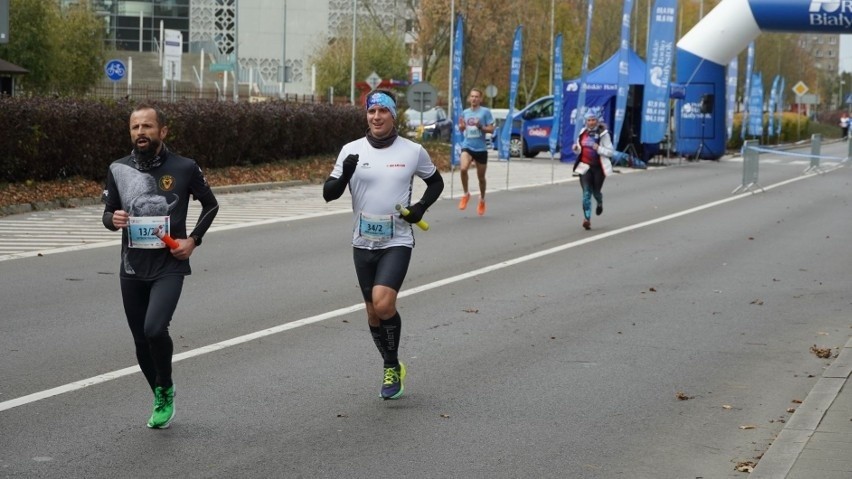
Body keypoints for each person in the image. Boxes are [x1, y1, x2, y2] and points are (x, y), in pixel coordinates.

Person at [102, 104, 219, 428]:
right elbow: (107, 214)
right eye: (135, 127)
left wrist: (193, 240)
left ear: (162, 131)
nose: (141, 132)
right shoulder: (117, 168)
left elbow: (211, 205)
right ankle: (161, 391)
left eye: (147, 126)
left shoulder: (184, 167)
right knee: (140, 339)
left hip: (169, 263)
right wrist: (114, 219)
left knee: (155, 328)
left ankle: (164, 386)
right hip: (132, 267)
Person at [323, 89, 444, 400]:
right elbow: (329, 193)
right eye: (371, 112)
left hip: (398, 239)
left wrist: (420, 208)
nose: (376, 117)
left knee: (383, 303)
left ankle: (391, 368)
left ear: (394, 116)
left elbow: (436, 182)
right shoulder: (351, 150)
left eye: (383, 112)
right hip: (362, 241)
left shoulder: (412, 151)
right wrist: (345, 173)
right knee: (372, 314)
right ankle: (393, 365)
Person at [572, 111, 613, 230]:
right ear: (585, 121)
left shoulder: (603, 134)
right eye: (588, 120)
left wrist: (599, 148)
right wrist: (576, 148)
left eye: (593, 120)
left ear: (597, 120)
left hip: (598, 168)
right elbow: (580, 149)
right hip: (585, 167)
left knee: (596, 192)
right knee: (586, 193)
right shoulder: (582, 132)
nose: (591, 122)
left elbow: (610, 152)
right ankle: (587, 219)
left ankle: (599, 202)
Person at [457, 87, 495, 216]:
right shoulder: (465, 112)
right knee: (463, 169)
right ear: (469, 99)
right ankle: (466, 194)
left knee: (481, 178)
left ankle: (482, 199)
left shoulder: (485, 112)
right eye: (472, 96)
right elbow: (462, 128)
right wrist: (461, 127)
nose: (474, 99)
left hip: (481, 148)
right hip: (467, 145)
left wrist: (481, 127)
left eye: (476, 97)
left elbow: (491, 129)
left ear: (480, 99)